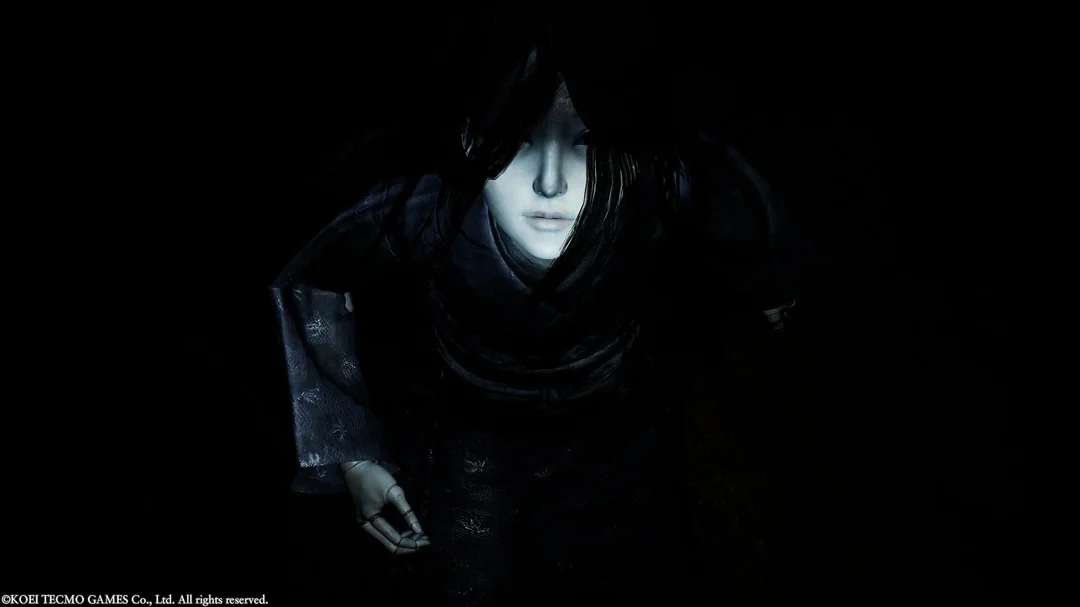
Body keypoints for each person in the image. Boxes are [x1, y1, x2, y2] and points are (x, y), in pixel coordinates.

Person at [272, 36, 820, 605]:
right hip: (477, 437)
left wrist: (776, 288)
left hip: (620, 433)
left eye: (589, 144)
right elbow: (310, 278)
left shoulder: (655, 188)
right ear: (469, 139)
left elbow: (742, 207)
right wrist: (352, 451)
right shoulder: (433, 208)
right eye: (516, 143)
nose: (549, 183)